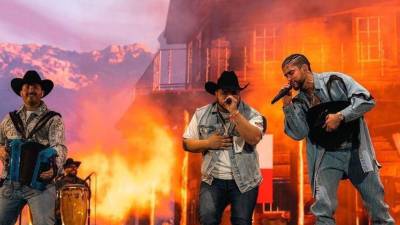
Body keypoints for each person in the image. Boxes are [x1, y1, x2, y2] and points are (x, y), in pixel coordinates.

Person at [280, 53, 395, 224]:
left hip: (357, 150)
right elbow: (299, 133)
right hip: (326, 156)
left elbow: (367, 100)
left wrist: (340, 116)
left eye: (291, 73)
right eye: (286, 75)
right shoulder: (298, 102)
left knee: (377, 208)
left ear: (305, 68)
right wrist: (288, 105)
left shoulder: (335, 80)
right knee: (323, 210)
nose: (289, 79)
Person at [183, 71, 265, 225]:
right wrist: (208, 143)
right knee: (208, 220)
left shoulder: (252, 114)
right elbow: (186, 143)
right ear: (216, 93)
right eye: (224, 93)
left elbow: (254, 138)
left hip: (245, 181)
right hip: (213, 180)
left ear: (239, 94)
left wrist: (234, 112)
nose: (229, 97)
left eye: (233, 93)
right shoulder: (202, 114)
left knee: (241, 221)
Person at [0, 70, 68, 225]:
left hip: (40, 186)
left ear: (42, 92)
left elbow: (60, 147)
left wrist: (54, 167)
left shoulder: (53, 119)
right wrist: (1, 150)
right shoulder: (9, 119)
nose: (31, 90)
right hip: (11, 184)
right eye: (27, 87)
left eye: (35, 87)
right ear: (21, 92)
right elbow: (0, 141)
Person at [55, 158, 89, 225]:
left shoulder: (82, 183)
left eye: (75, 167)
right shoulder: (59, 183)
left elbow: (88, 196)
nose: (74, 168)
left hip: (78, 215)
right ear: (65, 169)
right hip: (63, 213)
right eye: (70, 167)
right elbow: (54, 198)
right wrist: (57, 210)